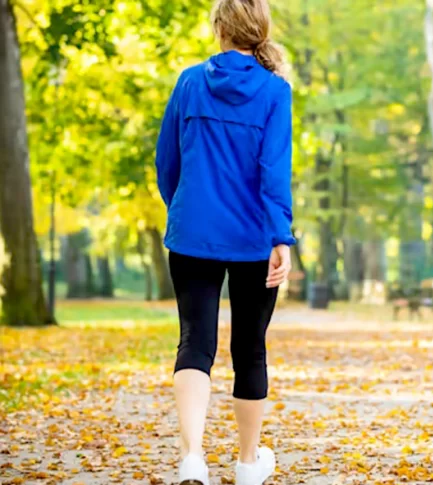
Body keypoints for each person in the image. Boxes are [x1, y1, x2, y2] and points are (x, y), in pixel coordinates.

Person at [154, 0, 294, 484]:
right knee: (250, 348)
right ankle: (248, 464)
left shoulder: (190, 83)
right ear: (260, 30)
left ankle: (193, 457)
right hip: (255, 238)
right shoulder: (275, 91)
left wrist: (183, 209)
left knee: (194, 341)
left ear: (219, 28)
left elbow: (166, 161)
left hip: (193, 232)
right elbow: (274, 170)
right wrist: (282, 237)